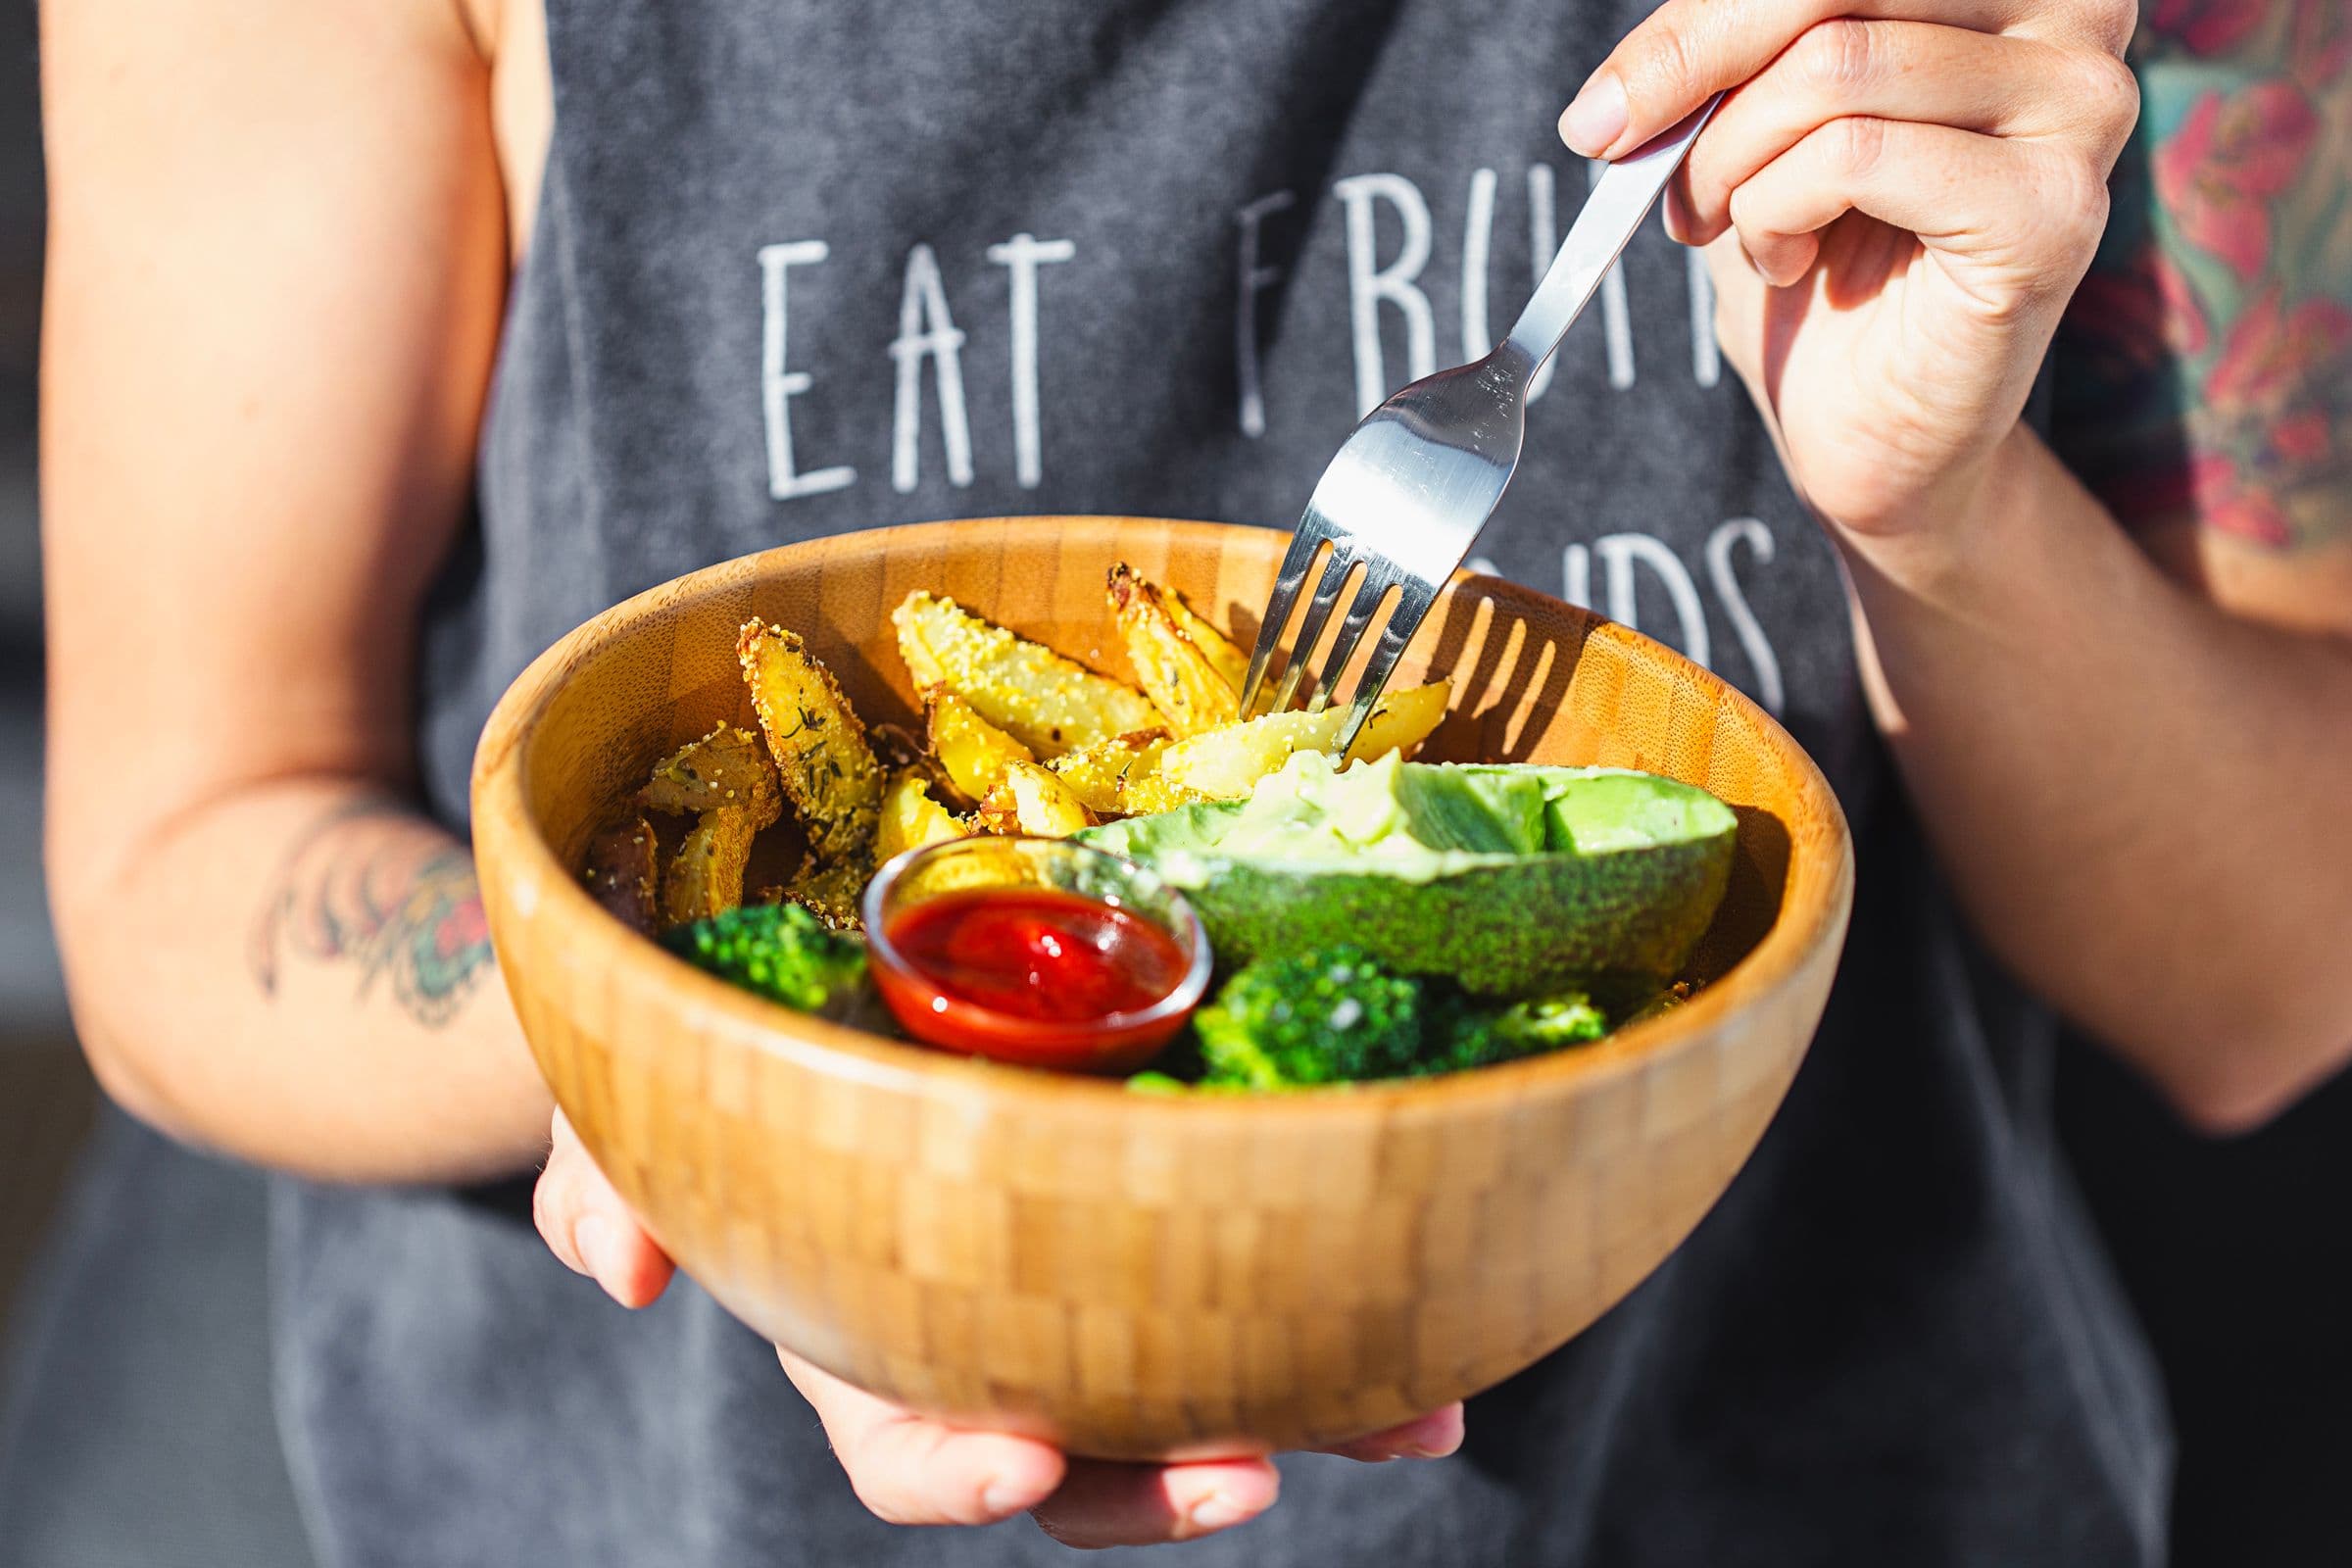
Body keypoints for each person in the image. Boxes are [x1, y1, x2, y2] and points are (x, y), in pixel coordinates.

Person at [37, 0, 2348, 1560]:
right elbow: (182, 848)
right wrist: (695, 1051)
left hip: (1800, 1459)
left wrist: (1941, 510)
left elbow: (2266, 977)